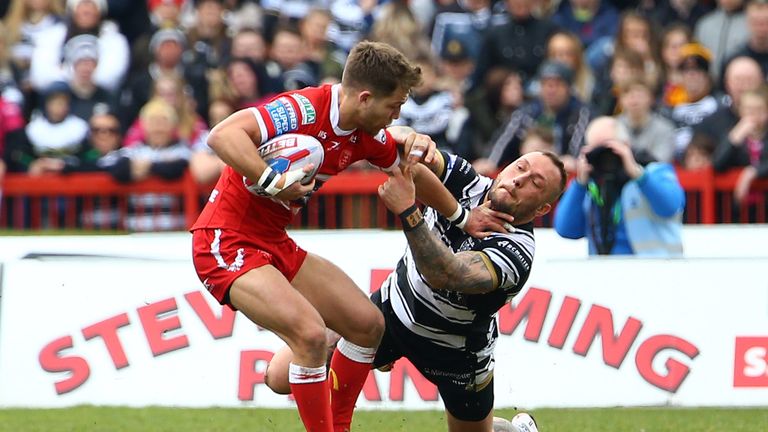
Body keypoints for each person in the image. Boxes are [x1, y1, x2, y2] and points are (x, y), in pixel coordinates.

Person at [190, 41, 511, 432]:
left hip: (272, 240)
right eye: (394, 106)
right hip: (224, 240)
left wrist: (461, 216)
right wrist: (271, 180)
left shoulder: (363, 133)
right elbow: (223, 135)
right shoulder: (302, 109)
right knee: (309, 335)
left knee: (367, 325)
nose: (397, 116)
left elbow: (408, 172)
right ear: (364, 97)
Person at [264, 148, 567, 432]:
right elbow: (406, 157)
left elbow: (445, 274)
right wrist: (414, 141)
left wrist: (409, 212)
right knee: (278, 375)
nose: (518, 180)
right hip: (391, 312)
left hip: (454, 351)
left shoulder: (517, 250)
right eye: (520, 167)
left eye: (534, 183)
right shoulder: (468, 182)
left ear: (542, 208)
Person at [553, 116, 685, 256]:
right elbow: (566, 229)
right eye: (597, 150)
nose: (605, 156)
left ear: (626, 145)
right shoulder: (591, 185)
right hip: (606, 274)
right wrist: (579, 185)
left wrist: (638, 175)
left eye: (609, 148)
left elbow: (671, 207)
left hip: (653, 272)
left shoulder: (656, 171)